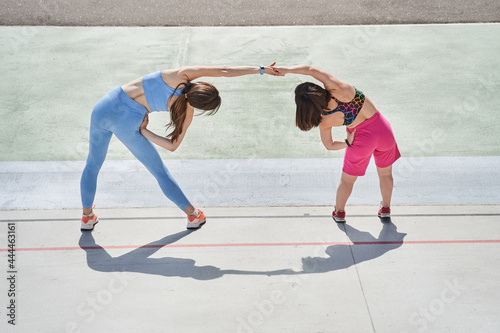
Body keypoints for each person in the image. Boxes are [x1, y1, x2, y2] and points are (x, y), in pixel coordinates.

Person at [80, 64, 276, 230]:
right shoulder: (186, 111)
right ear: (200, 107)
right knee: (159, 172)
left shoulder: (179, 76)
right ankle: (193, 216)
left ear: (203, 85)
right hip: (129, 123)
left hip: (105, 106)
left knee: (92, 164)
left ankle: (87, 216)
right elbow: (172, 145)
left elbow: (224, 70)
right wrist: (144, 131)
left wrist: (261, 69)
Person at [271, 65, 400, 222]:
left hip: (360, 140)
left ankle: (339, 212)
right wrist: (287, 70)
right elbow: (310, 70)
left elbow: (329, 145)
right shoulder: (338, 88)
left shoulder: (324, 120)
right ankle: (385, 208)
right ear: (316, 89)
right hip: (382, 129)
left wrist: (347, 142)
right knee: (385, 174)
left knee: (347, 180)